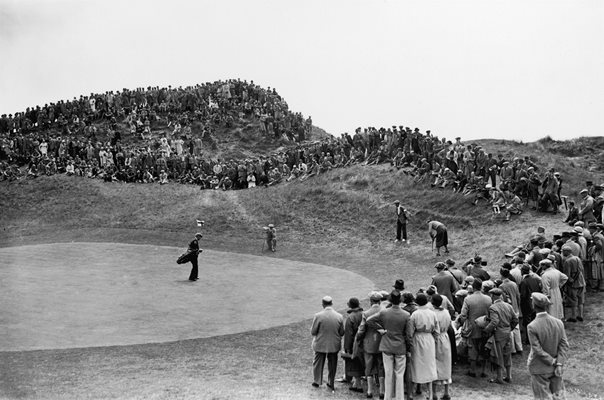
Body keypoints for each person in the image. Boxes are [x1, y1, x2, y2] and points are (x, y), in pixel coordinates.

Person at [366, 290, 411, 400]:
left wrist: (380, 329)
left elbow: (369, 320)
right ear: (400, 301)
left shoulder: (384, 312)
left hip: (387, 346)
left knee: (389, 373)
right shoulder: (406, 315)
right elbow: (409, 335)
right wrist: (409, 348)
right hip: (400, 346)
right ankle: (399, 397)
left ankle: (388, 397)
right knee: (399, 375)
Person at [527, 293, 570, 400]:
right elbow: (564, 345)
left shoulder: (532, 326)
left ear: (533, 305)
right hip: (556, 368)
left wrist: (552, 361)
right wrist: (559, 363)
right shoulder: (558, 322)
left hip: (539, 368)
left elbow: (537, 349)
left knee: (542, 397)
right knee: (559, 397)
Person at [456, 279, 492, 377]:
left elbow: (463, 315)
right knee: (484, 347)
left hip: (472, 327)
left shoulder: (468, 299)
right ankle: (483, 371)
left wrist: (464, 323)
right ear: (481, 287)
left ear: (473, 287)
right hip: (485, 326)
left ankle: (472, 370)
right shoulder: (488, 299)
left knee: (472, 347)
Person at [407, 293, 438, 400]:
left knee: (415, 365)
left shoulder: (415, 314)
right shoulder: (432, 313)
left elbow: (410, 332)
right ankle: (430, 394)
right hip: (429, 339)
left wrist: (409, 346)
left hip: (418, 339)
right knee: (429, 365)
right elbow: (436, 331)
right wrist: (434, 341)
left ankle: (411, 393)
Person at [483, 288, 518, 384]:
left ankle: (499, 377)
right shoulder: (508, 306)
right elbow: (515, 319)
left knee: (498, 355)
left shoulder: (493, 307)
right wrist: (510, 328)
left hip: (499, 333)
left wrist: (486, 330)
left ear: (493, 296)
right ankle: (508, 376)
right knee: (508, 354)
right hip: (508, 332)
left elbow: (494, 322)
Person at [356, 291, 386, 399]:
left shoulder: (366, 313)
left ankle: (369, 391)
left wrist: (358, 339)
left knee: (368, 367)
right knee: (381, 366)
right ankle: (382, 391)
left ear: (371, 301)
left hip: (369, 343)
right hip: (381, 343)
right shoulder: (385, 311)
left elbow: (361, 330)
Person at [311, 295, 344, 390]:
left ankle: (317, 381)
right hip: (334, 344)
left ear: (323, 304)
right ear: (332, 303)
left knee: (317, 362)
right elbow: (342, 332)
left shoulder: (318, 316)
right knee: (332, 363)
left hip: (320, 343)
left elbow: (313, 332)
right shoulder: (339, 316)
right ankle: (331, 382)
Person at [431, 294, 453, 400]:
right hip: (445, 337)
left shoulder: (432, 313)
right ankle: (446, 392)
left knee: (434, 364)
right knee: (446, 363)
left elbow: (433, 328)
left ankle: (434, 393)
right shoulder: (446, 312)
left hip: (435, 338)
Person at [342, 297, 364, 392]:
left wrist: (347, 348)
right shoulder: (363, 314)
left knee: (354, 362)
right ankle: (356, 383)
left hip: (355, 343)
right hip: (363, 343)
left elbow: (349, 335)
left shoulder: (351, 317)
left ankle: (358, 384)